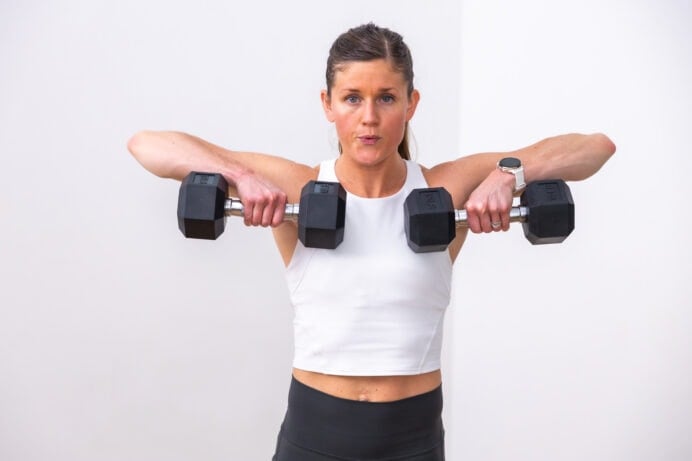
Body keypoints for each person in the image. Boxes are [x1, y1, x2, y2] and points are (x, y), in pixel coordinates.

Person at [128, 22, 615, 461]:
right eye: (352, 98)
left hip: (414, 440)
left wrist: (510, 174)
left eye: (386, 97)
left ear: (411, 104)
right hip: (312, 437)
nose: (369, 117)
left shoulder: (444, 189)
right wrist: (239, 175)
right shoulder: (296, 187)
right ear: (327, 104)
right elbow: (146, 144)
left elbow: (595, 148)